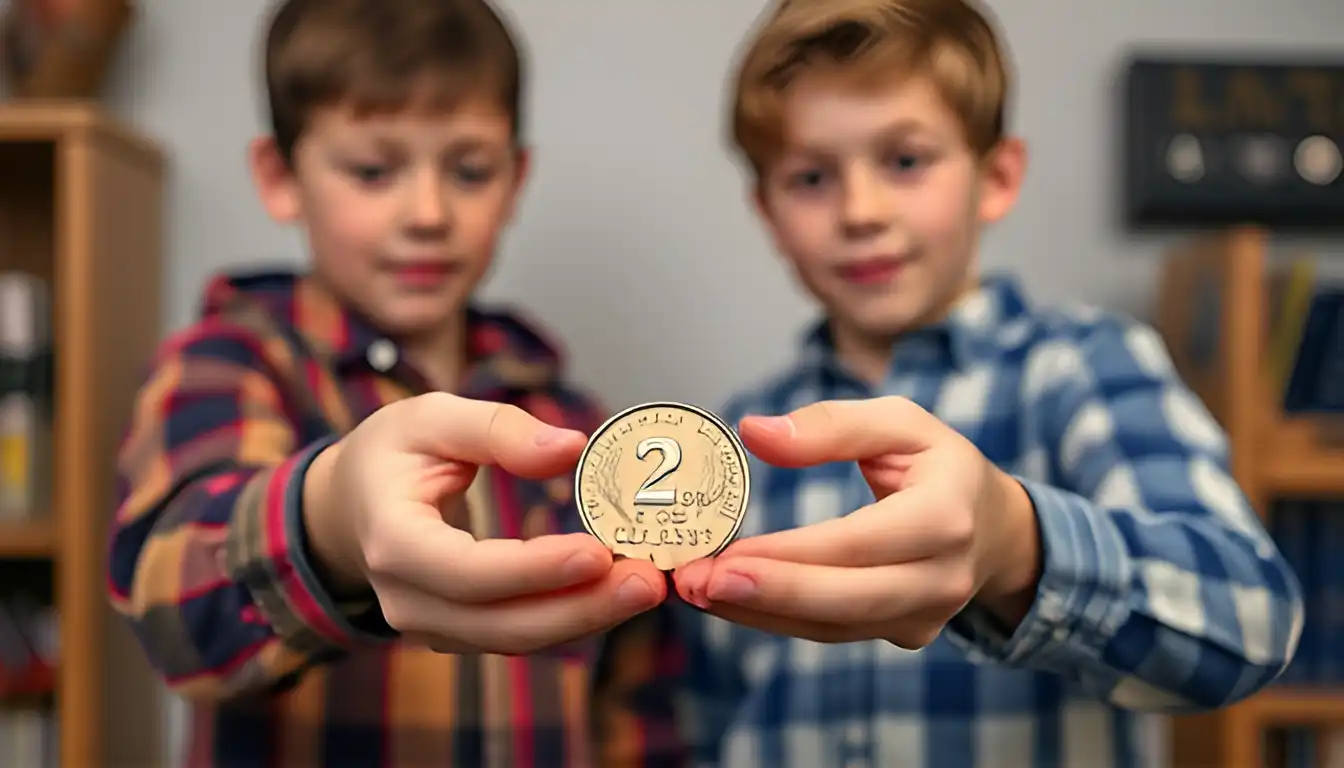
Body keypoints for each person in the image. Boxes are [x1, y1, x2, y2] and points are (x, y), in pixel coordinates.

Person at [667, 1, 1306, 766]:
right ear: (768, 214)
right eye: (810, 177)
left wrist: (1016, 544)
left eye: (905, 160)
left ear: (996, 177)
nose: (860, 212)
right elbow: (700, 711)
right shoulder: (736, 436)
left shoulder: (1084, 365)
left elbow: (1252, 620)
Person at [106, 1, 685, 765]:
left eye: (470, 170)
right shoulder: (231, 363)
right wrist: (331, 520)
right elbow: (174, 608)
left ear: (515, 181)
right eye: (374, 170)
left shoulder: (571, 419)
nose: (428, 213)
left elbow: (638, 703)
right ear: (281, 178)